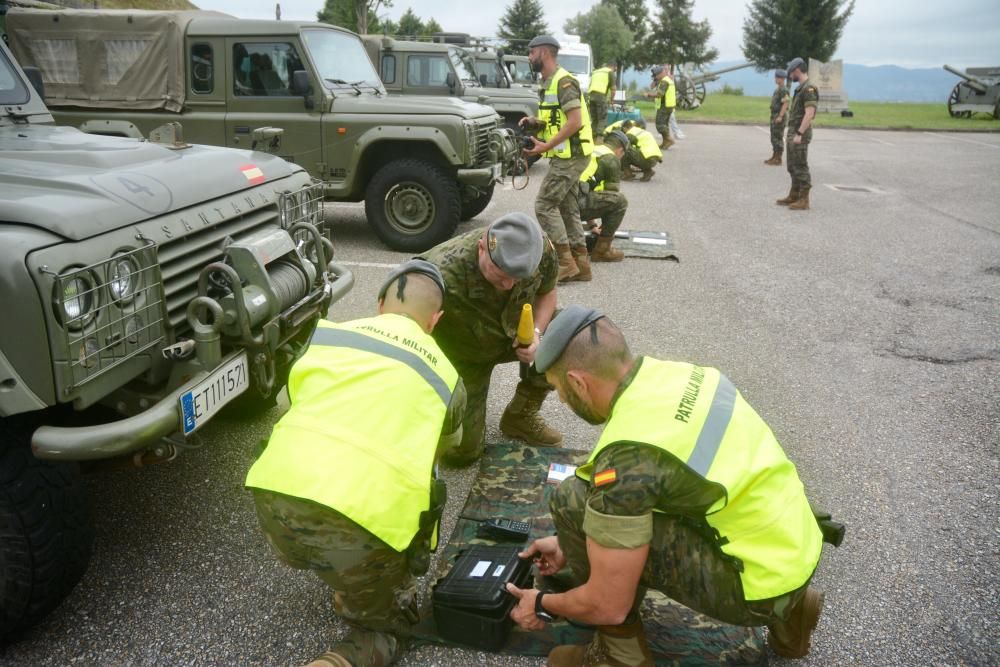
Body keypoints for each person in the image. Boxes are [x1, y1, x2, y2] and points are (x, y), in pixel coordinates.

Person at [506, 305, 827, 665]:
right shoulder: (688, 375)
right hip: (794, 547)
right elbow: (675, 478)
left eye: (559, 390)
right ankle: (794, 612)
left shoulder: (627, 460)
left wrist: (541, 602)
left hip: (757, 589)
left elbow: (608, 606)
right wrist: (573, 542)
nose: (563, 400)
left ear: (579, 382)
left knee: (574, 501)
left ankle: (620, 655)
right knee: (602, 509)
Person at [245, 260, 466, 667]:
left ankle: (329, 563)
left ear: (380, 302)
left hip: (273, 506)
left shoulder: (327, 338)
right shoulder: (447, 377)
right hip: (357, 531)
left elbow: (289, 404)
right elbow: (444, 453)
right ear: (436, 320)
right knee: (393, 628)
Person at [418, 213, 561, 466]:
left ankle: (520, 415)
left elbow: (547, 294)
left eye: (517, 278)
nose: (508, 284)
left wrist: (537, 335)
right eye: (500, 274)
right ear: (483, 247)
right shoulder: (438, 271)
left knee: (567, 335)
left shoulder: (540, 250)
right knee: (460, 456)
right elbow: (405, 329)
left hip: (516, 334)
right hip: (463, 356)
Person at [519, 34, 595, 283]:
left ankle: (565, 262)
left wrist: (544, 146)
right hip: (568, 154)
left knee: (544, 205)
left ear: (544, 53)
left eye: (532, 53)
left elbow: (575, 122)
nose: (529, 58)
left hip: (571, 155)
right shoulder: (549, 82)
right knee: (567, 208)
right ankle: (581, 265)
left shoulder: (564, 82)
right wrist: (534, 123)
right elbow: (556, 120)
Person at [579, 129, 629, 263]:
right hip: (576, 204)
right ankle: (602, 250)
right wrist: (605, 229)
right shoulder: (611, 159)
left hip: (562, 204)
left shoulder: (593, 150)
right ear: (620, 150)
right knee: (620, 202)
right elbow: (611, 198)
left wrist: (592, 226)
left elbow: (588, 189)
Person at [777, 57, 819, 211]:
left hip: (800, 133)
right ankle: (794, 194)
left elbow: (809, 113)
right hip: (793, 132)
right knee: (792, 166)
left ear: (796, 71)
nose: (790, 77)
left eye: (790, 74)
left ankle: (804, 199)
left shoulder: (809, 89)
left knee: (800, 166)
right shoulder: (800, 88)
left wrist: (800, 133)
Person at [643, 65, 675, 150]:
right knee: (664, 124)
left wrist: (648, 95)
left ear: (661, 73)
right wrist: (655, 80)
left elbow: (659, 94)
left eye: (657, 75)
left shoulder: (664, 81)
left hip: (665, 106)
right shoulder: (666, 79)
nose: (656, 77)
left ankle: (669, 139)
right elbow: (652, 86)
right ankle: (665, 143)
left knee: (660, 125)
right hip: (669, 105)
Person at [765, 69, 790, 165]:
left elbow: (786, 103)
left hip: (779, 115)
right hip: (774, 115)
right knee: (774, 137)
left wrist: (780, 116)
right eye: (776, 77)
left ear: (782, 78)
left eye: (777, 77)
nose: (775, 79)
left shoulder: (784, 89)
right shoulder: (778, 89)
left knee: (778, 137)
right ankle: (775, 155)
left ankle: (778, 158)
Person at [588, 61, 616, 138]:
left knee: (594, 119)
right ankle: (599, 138)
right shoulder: (610, 72)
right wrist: (612, 100)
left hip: (591, 96)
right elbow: (613, 89)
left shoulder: (596, 72)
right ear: (613, 67)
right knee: (602, 118)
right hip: (600, 96)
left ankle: (592, 136)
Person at [666, 65, 686, 140]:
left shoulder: (670, 78)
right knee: (672, 119)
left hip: (671, 102)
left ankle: (664, 133)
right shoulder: (665, 79)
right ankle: (676, 133)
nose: (668, 69)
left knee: (667, 119)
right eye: (666, 68)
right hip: (667, 104)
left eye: (668, 68)